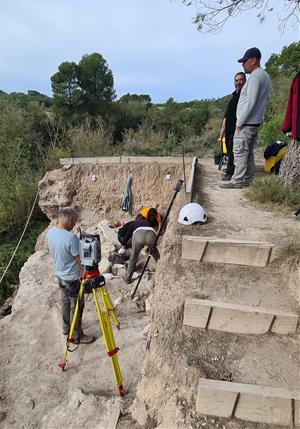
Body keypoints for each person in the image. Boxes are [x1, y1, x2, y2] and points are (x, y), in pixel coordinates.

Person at [220, 47, 271, 189]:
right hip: (254, 121)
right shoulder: (264, 75)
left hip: (247, 122)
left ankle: (237, 180)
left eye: (245, 61)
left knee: (240, 151)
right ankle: (247, 179)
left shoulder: (255, 76)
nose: (243, 64)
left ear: (253, 60)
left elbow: (251, 101)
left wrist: (240, 122)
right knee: (247, 153)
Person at [46, 207, 95, 344]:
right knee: (77, 306)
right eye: (75, 222)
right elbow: (80, 259)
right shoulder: (71, 238)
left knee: (66, 303)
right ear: (71, 219)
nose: (74, 225)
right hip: (73, 279)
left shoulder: (50, 232)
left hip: (60, 275)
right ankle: (76, 335)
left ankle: (66, 328)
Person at [218, 72, 246, 181]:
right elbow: (226, 115)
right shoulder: (234, 95)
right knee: (230, 151)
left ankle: (230, 174)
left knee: (234, 152)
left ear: (245, 81)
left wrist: (238, 127)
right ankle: (231, 170)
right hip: (229, 130)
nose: (238, 82)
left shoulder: (244, 96)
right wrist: (222, 132)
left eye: (240, 80)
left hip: (237, 129)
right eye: (236, 80)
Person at [123, 208, 160, 284]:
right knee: (156, 254)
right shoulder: (148, 223)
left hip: (139, 235)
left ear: (138, 217)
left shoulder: (135, 222)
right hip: (151, 234)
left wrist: (124, 243)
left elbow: (128, 234)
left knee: (133, 256)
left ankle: (127, 278)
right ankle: (163, 271)